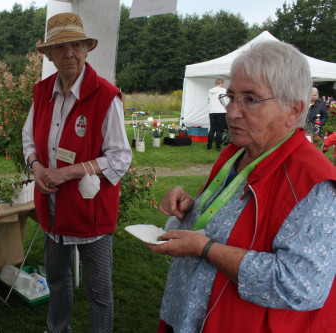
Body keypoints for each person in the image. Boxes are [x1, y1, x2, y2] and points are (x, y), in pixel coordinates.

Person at [146, 41, 336, 333]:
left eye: (250, 99)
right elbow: (227, 221)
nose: (232, 113)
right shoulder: (235, 153)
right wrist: (190, 208)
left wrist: (206, 250)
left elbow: (301, 286)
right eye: (231, 97)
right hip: (188, 315)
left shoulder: (313, 182)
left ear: (293, 109)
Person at [22, 12, 132, 333]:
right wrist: (37, 166)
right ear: (51, 55)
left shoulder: (105, 96)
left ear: (86, 48)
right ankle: (58, 330)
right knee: (56, 279)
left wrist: (68, 172)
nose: (69, 53)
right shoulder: (41, 92)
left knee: (98, 291)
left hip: (90, 213)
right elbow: (29, 137)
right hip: (53, 211)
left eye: (76, 45)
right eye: (60, 47)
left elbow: (120, 157)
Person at [207, 78, 227, 150]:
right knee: (219, 130)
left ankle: (209, 146)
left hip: (212, 112)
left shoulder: (210, 91)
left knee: (212, 129)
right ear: (222, 83)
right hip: (221, 112)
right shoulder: (224, 90)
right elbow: (225, 101)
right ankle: (218, 146)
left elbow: (208, 100)